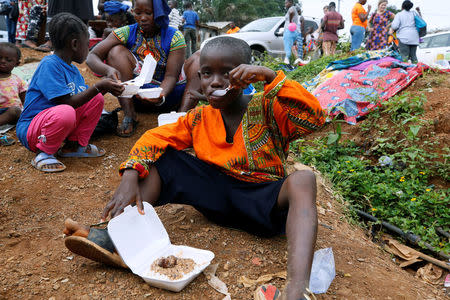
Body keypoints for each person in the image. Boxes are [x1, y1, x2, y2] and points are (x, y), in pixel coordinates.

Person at [63, 36, 325, 300]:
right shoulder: (198, 118)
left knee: (303, 180)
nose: (216, 82)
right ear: (199, 77)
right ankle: (118, 237)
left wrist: (271, 77)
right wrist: (131, 172)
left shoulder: (270, 108)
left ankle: (296, 290)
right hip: (218, 201)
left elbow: (315, 118)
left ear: (247, 74)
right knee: (163, 158)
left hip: (263, 206)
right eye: (208, 73)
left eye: (228, 73)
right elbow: (154, 138)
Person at [16, 13, 124, 172]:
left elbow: (83, 100)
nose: (89, 49)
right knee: (66, 111)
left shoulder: (73, 69)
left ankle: (74, 146)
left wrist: (107, 88)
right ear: (74, 44)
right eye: (87, 44)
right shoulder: (49, 65)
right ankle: (43, 153)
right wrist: (99, 87)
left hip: (57, 120)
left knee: (97, 100)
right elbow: (66, 103)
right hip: (32, 129)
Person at [86, 0, 186, 137]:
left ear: (159, 12)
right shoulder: (126, 32)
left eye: (149, 13)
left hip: (168, 97)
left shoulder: (175, 37)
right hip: (135, 96)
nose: (143, 18)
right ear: (132, 12)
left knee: (197, 62)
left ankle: (181, 117)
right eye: (138, 13)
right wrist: (109, 70)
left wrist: (160, 95)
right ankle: (130, 114)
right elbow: (92, 56)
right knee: (115, 52)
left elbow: (171, 76)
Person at [0, 42, 26, 146]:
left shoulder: (17, 80)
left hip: (11, 113)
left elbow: (25, 99)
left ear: (17, 64)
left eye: (8, 60)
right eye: (0, 57)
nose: (2, 61)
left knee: (15, 110)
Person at [283, 0, 300, 64]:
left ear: (291, 3)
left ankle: (286, 64)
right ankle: (297, 62)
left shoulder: (291, 8)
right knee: (291, 48)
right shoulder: (294, 8)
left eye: (286, 3)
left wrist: (290, 21)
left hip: (289, 31)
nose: (285, 4)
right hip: (294, 31)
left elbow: (291, 12)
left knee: (287, 48)